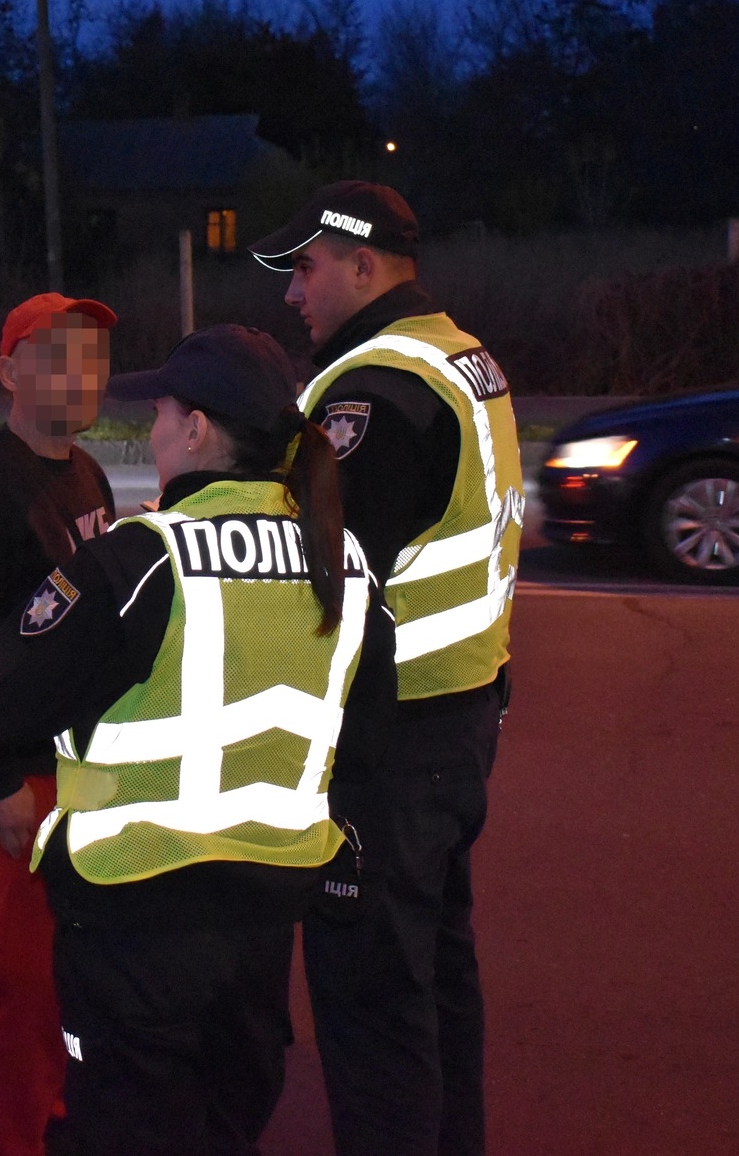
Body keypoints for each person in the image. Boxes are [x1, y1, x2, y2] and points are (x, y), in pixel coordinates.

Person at [0, 325, 396, 1156]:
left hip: (138, 930)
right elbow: (364, 747)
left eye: (159, 413)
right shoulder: (345, 560)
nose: (149, 432)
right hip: (262, 931)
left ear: (196, 430)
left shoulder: (143, 564)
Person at [250, 182, 523, 1156]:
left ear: (363, 265)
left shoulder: (373, 389)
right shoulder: (459, 355)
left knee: (373, 1016)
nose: (291, 293)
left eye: (306, 268)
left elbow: (318, 579)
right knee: (436, 989)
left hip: (388, 746)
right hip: (457, 722)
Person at [0, 292, 120, 1156]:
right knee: (24, 977)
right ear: (9, 370)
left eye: (94, 355)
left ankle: (56, 1106)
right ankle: (4, 1138)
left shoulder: (86, 472)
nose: (81, 373)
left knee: (74, 966)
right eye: (57, 353)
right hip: (16, 775)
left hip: (79, 768)